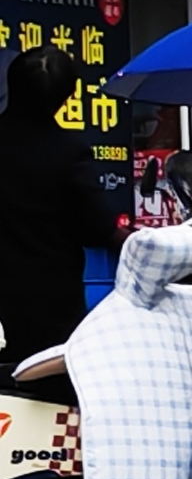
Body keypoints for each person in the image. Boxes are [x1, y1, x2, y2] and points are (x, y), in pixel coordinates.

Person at [0, 46, 120, 393]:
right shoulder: (68, 153)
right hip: (48, 307)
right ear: (67, 98)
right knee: (47, 394)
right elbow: (97, 229)